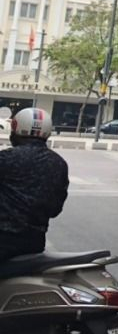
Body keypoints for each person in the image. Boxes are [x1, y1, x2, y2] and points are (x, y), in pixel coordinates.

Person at [0, 108, 69, 261]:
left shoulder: (6, 159)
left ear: (15, 130)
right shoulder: (59, 163)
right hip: (34, 243)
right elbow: (55, 210)